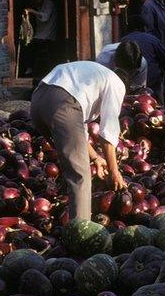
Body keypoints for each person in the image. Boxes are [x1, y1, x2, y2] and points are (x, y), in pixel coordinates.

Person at [31, 57, 140, 220]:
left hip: (38, 100)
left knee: (71, 160)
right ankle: (81, 230)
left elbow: (78, 132)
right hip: (62, 105)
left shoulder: (96, 73)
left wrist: (96, 157)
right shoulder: (116, 84)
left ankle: (66, 207)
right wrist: (114, 171)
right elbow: (108, 132)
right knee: (80, 175)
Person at [95, 34, 165, 95]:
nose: (127, 77)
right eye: (125, 73)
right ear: (116, 63)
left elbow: (139, 90)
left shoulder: (142, 64)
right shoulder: (104, 60)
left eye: (132, 73)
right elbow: (100, 89)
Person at [23, 0, 57, 79]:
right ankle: (30, 68)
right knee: (26, 43)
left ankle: (31, 69)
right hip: (40, 34)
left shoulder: (49, 4)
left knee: (31, 46)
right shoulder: (40, 5)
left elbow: (45, 17)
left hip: (47, 35)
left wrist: (31, 11)